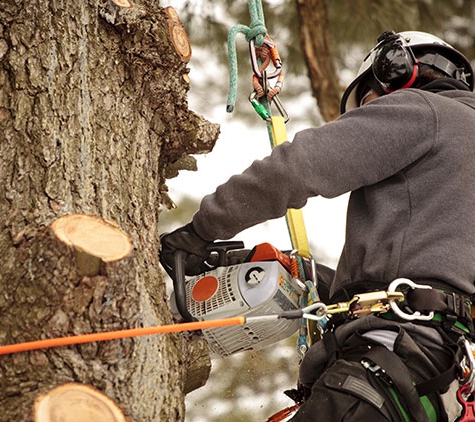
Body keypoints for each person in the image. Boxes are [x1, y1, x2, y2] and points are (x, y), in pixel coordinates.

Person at [160, 30, 475, 421]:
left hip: (389, 366)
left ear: (397, 72)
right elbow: (436, 283)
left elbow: (300, 167)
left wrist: (201, 229)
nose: (367, 115)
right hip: (445, 388)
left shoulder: (424, 110)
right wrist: (306, 276)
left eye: (368, 102)